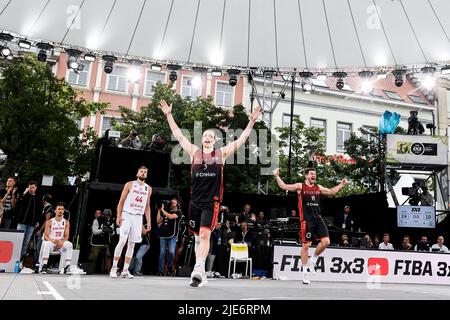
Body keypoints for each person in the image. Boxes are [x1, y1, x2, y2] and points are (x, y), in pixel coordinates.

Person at [158, 99, 262, 287]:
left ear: (214, 141)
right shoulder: (194, 152)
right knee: (198, 238)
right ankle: (203, 273)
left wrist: (252, 121)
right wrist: (169, 115)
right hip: (194, 202)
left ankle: (197, 268)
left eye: (210, 136)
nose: (207, 137)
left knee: (205, 236)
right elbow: (178, 135)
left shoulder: (220, 154)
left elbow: (241, 140)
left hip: (211, 202)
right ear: (201, 139)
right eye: (204, 135)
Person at [273, 167, 349, 285]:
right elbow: (284, 186)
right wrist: (277, 176)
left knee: (326, 242)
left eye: (315, 174)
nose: (314, 175)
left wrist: (342, 184)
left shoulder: (318, 188)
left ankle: (313, 259)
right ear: (306, 176)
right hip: (306, 220)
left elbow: (331, 192)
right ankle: (305, 275)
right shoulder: (300, 187)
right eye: (311, 174)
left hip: (318, 218)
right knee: (306, 245)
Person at [109, 166, 152, 279]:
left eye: (145, 172)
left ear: (146, 175)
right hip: (127, 214)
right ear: (137, 173)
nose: (143, 173)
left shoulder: (148, 188)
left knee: (132, 243)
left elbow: (147, 206)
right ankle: (114, 268)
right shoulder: (129, 184)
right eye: (141, 171)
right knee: (123, 239)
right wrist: (118, 216)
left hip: (138, 217)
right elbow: (121, 201)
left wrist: (149, 221)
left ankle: (125, 270)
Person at [40, 203, 73, 274]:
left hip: (60, 243)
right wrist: (52, 240)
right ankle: (44, 266)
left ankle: (67, 267)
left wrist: (62, 242)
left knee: (69, 244)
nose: (60, 211)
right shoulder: (50, 221)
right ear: (55, 211)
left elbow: (67, 236)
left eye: (62, 209)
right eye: (59, 209)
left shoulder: (66, 222)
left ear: (64, 211)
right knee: (47, 244)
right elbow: (46, 236)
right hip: (52, 242)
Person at [16, 181, 42, 259]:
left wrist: (37, 221)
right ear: (28, 188)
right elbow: (18, 203)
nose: (31, 189)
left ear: (36, 188)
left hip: (31, 224)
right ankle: (15, 257)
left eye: (33, 188)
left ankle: (21, 258)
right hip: (22, 222)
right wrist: (24, 192)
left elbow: (39, 211)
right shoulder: (24, 196)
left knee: (26, 242)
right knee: (19, 240)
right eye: (30, 188)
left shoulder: (38, 198)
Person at [157, 198, 181, 276]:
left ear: (177, 204)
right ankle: (160, 270)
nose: (172, 204)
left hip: (172, 235)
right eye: (171, 203)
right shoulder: (166, 211)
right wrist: (159, 210)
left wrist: (163, 211)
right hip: (163, 234)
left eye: (174, 203)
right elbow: (158, 221)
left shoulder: (178, 212)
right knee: (162, 253)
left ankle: (169, 266)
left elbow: (171, 217)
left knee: (171, 252)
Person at [34, 194, 54, 271]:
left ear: (44, 200)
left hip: (43, 232)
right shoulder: (45, 208)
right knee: (37, 248)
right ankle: (37, 265)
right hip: (39, 229)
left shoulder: (49, 208)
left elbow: (47, 221)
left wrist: (40, 230)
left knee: (39, 249)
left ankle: (39, 265)